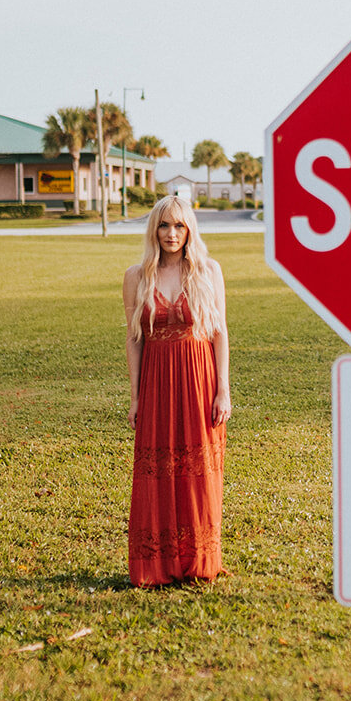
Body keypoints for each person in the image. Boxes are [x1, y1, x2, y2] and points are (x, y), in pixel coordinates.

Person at [123, 195, 232, 586]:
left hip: (199, 379)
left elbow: (219, 333)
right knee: (159, 470)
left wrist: (224, 391)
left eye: (180, 226)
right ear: (154, 229)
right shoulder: (137, 276)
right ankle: (157, 564)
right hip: (157, 383)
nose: (172, 234)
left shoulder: (208, 270)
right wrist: (136, 397)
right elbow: (135, 339)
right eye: (165, 226)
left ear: (190, 230)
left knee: (198, 472)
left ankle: (198, 561)